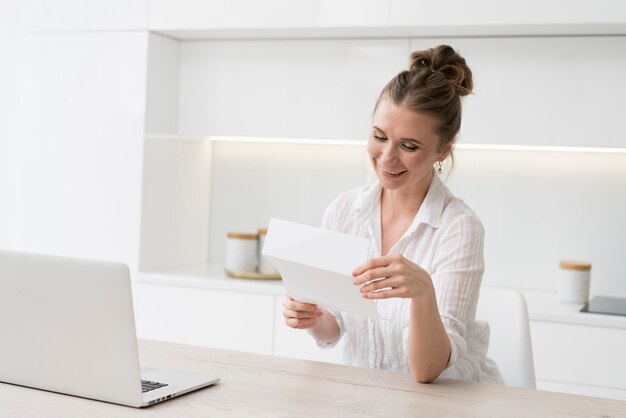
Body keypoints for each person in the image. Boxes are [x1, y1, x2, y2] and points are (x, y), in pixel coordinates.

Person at [282, 45, 503, 384]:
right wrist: (312, 318)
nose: (387, 157)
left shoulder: (459, 228)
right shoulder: (344, 211)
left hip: (443, 404)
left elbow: (427, 370)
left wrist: (423, 292)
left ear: (444, 149)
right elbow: (335, 329)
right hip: (365, 397)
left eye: (409, 146)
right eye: (379, 136)